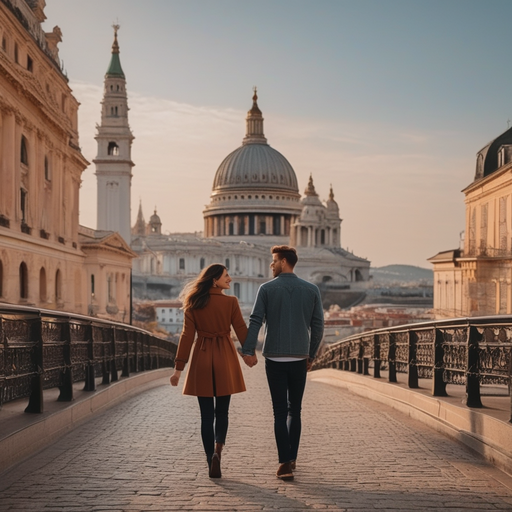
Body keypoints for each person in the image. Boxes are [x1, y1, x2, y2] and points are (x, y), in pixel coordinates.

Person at [241, 245, 324, 481]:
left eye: (274, 261)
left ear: (285, 262)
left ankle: (284, 463)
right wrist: (311, 354)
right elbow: (318, 326)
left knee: (279, 412)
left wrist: (248, 350)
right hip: (299, 357)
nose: (271, 265)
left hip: (275, 358)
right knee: (295, 410)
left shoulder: (266, 289)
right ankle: (292, 458)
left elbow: (256, 320)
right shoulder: (311, 290)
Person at [170, 264, 249, 478]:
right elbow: (241, 329)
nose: (230, 279)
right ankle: (217, 451)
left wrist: (178, 370)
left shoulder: (193, 303)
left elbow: (186, 337)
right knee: (222, 412)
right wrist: (249, 353)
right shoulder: (231, 302)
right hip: (225, 357)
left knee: (206, 416)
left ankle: (208, 460)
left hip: (202, 357)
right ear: (215, 280)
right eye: (226, 276)